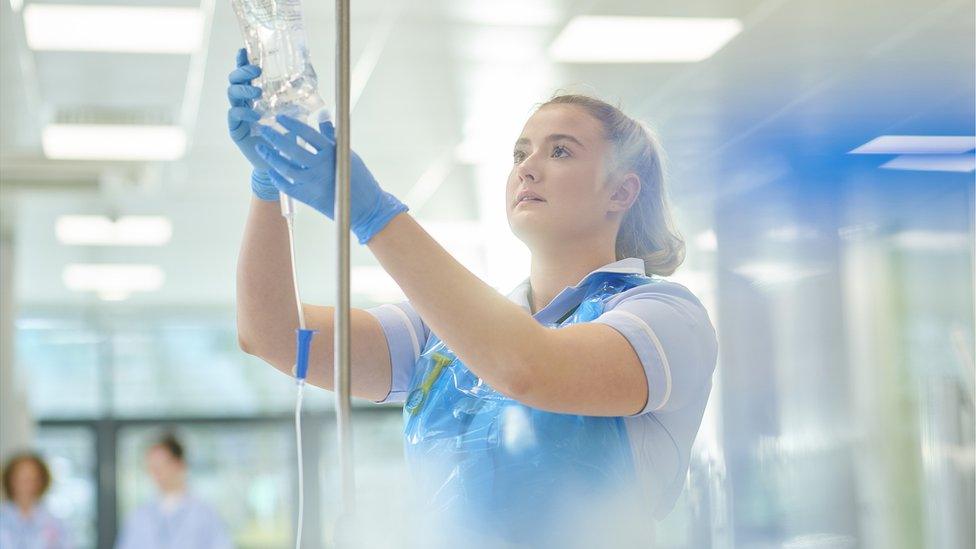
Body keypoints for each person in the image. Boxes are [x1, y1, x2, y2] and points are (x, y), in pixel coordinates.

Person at [231, 48, 718, 546]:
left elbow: (528, 368)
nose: (527, 168)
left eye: (561, 151)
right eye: (520, 153)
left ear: (621, 193)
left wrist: (374, 215)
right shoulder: (443, 335)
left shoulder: (666, 318)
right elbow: (271, 334)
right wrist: (270, 187)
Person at [115, 433, 232, 549]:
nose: (156, 473)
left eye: (161, 465)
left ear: (180, 464)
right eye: (152, 467)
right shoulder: (138, 518)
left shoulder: (205, 515)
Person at [0, 452, 71, 549]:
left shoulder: (56, 524)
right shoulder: (2, 519)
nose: (26, 484)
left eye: (32, 478)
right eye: (21, 478)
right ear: (9, 480)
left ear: (42, 482)